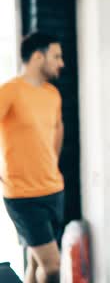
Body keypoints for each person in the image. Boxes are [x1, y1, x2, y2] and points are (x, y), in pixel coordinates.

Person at [0, 32, 65, 283]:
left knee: (36, 262)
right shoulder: (10, 91)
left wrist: (51, 163)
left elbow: (57, 128)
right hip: (23, 196)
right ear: (38, 56)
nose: (61, 63)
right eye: (56, 56)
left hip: (53, 189)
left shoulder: (53, 94)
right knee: (52, 267)